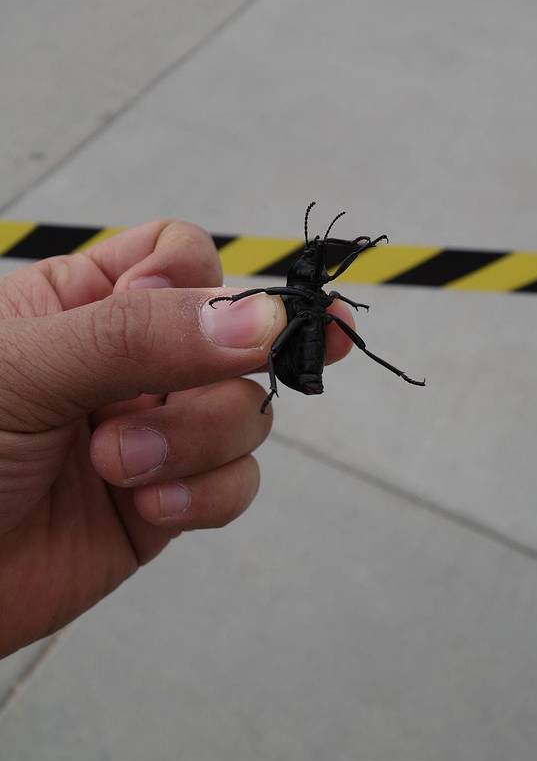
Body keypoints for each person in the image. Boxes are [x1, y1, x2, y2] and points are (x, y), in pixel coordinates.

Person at [0, 220, 354, 658]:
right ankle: (278, 387)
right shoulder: (294, 294)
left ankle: (282, 385)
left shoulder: (311, 291)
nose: (318, 266)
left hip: (304, 341)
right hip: (300, 350)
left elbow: (321, 279)